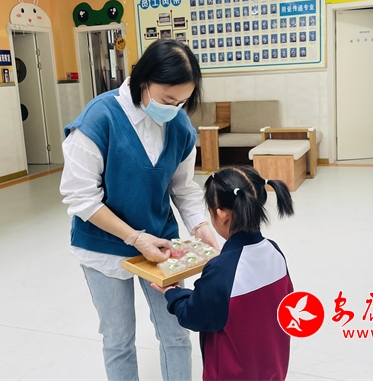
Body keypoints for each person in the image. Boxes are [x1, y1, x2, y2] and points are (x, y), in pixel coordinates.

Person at [60, 39, 218, 381]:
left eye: (182, 101)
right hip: (103, 245)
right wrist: (134, 237)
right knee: (118, 339)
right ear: (144, 80)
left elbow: (182, 186)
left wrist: (200, 226)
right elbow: (80, 198)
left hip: (161, 244)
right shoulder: (99, 118)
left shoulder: (180, 126)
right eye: (167, 99)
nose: (174, 108)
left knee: (176, 333)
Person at [152, 166, 295, 381]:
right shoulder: (274, 252)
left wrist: (173, 293)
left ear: (222, 214)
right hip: (272, 369)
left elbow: (193, 316)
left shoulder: (221, 270)